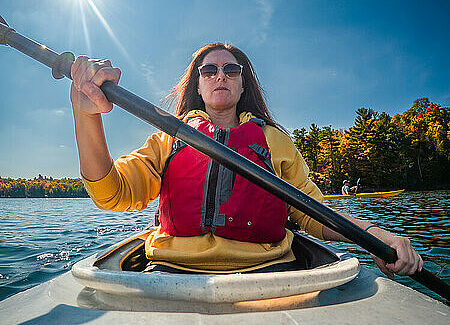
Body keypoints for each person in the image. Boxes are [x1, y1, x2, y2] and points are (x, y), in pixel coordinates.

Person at [70, 42, 423, 279]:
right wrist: (87, 115)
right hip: (172, 273)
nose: (220, 75)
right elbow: (110, 193)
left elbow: (313, 214)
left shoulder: (274, 142)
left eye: (231, 70)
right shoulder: (168, 138)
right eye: (209, 71)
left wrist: (374, 235)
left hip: (267, 273)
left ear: (242, 84)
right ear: (198, 84)